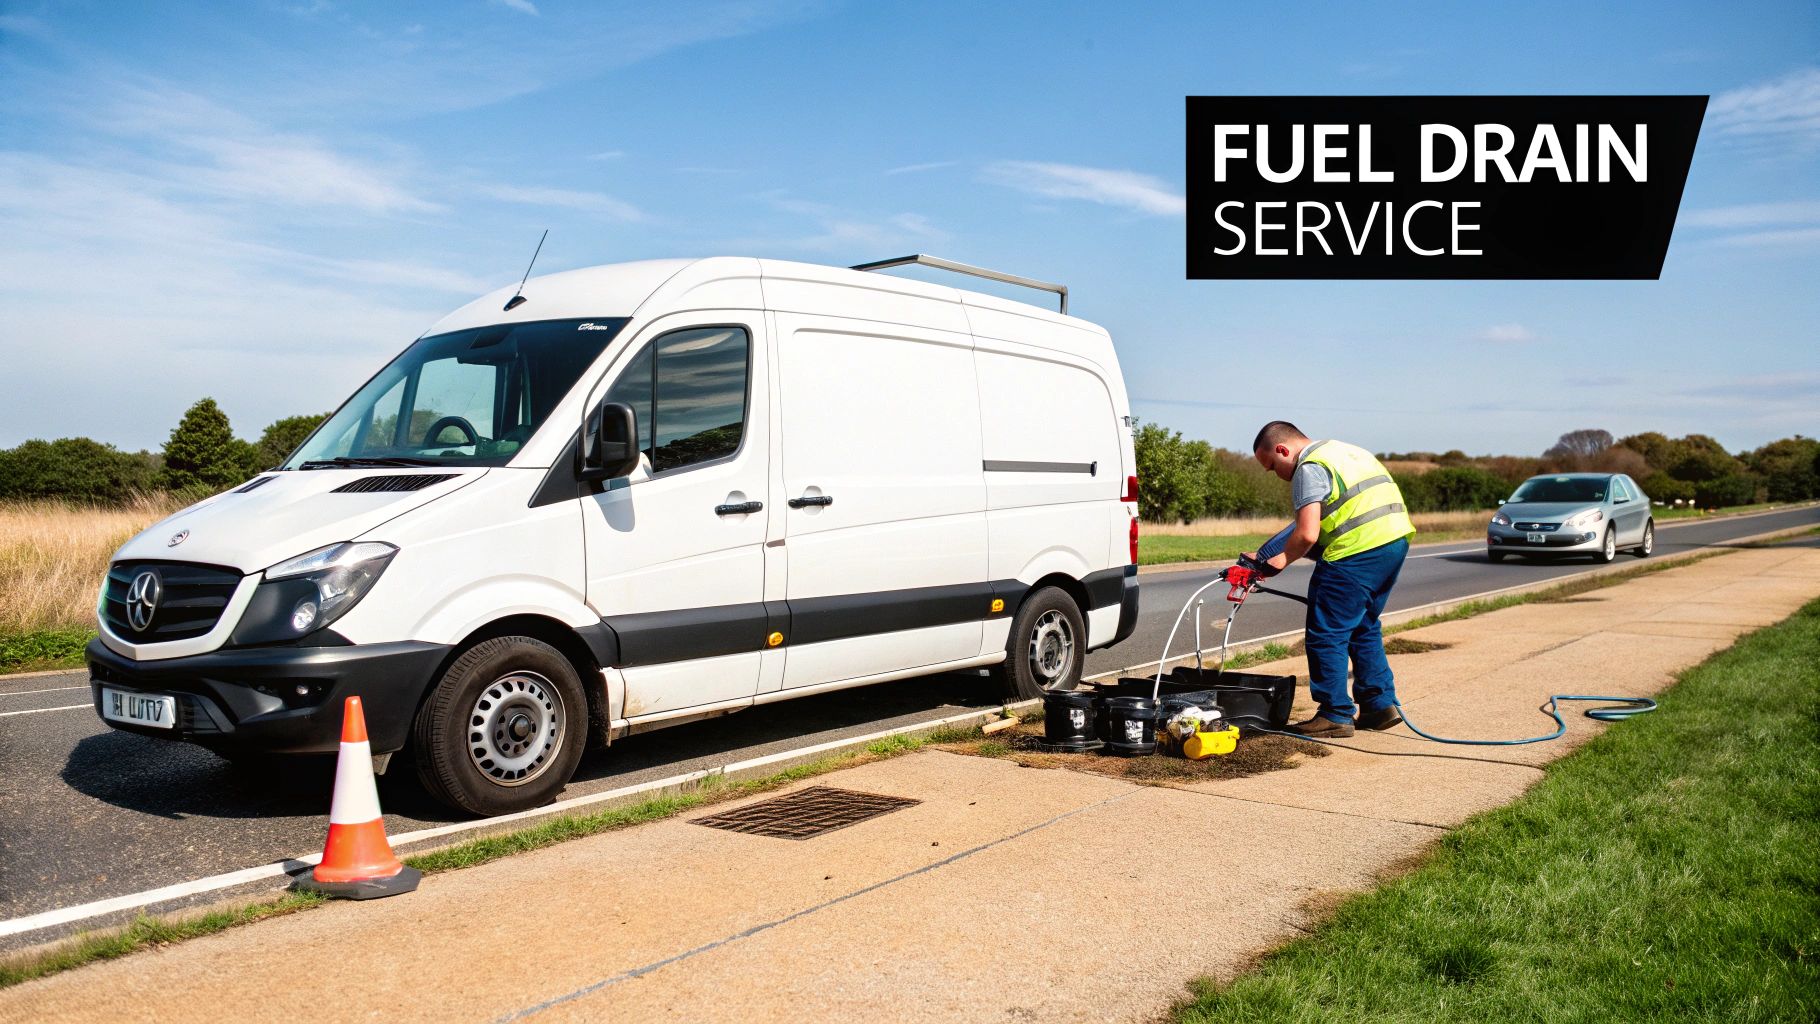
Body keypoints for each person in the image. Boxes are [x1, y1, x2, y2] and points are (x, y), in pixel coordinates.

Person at [1245, 421, 1415, 737]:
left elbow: (1307, 533)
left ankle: (1335, 714)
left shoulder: (1308, 468)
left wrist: (1279, 561)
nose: (1275, 474)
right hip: (1394, 541)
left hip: (1356, 551)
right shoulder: (1345, 451)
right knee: (1362, 625)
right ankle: (1379, 706)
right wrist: (1266, 552)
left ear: (1283, 449)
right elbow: (1332, 517)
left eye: (1272, 466)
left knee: (1327, 632)